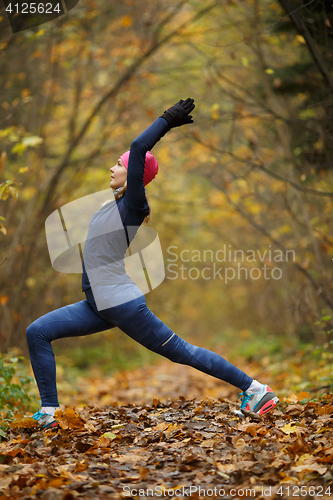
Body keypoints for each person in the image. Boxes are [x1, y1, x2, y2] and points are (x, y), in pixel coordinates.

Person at [26, 99, 279, 430]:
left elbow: (137, 147)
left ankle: (256, 389)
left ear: (134, 174)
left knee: (182, 352)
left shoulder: (133, 205)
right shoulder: (110, 204)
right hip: (98, 304)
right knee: (37, 332)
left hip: (121, 304)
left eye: (118, 164)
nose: (112, 168)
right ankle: (50, 413)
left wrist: (166, 120)